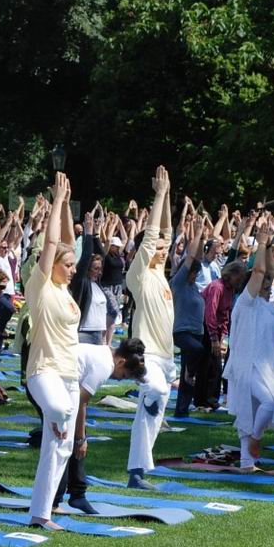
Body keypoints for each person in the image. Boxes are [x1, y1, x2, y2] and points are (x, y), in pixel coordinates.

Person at [25, 172, 80, 530]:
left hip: (70, 374)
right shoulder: (40, 287)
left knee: (60, 449)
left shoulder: (65, 291)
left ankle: (41, 513)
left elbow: (69, 242)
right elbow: (52, 246)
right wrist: (57, 203)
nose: (73, 270)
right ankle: (40, 513)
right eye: (68, 265)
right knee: (58, 412)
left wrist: (69, 210)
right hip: (43, 371)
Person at [53, 338, 148, 513]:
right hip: (50, 385)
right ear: (122, 362)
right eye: (124, 375)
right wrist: (81, 439)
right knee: (64, 444)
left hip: (60, 387)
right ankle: (55, 502)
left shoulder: (106, 354)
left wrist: (81, 438)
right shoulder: (104, 367)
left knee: (72, 441)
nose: (120, 379)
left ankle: (77, 495)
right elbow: (80, 402)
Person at [124, 166, 175, 490]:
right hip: (147, 355)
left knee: (153, 417)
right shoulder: (139, 275)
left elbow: (166, 235)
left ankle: (138, 472)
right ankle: (136, 473)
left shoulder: (160, 272)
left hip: (167, 357)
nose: (162, 249)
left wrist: (168, 193)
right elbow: (154, 237)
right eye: (156, 248)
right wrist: (157, 196)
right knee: (152, 396)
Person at [224, 224, 274, 471]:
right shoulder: (246, 302)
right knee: (267, 404)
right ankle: (254, 440)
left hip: (262, 366)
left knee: (249, 412)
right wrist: (260, 243)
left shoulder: (266, 305)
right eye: (262, 283)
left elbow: (268, 271)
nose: (266, 285)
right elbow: (260, 271)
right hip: (245, 364)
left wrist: (271, 244)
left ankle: (246, 463)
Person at [171, 216, 208, 417]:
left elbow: (198, 258)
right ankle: (187, 373)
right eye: (194, 273)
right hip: (181, 331)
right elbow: (192, 258)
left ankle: (181, 410)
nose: (196, 276)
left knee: (190, 372)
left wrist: (202, 239)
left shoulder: (194, 288)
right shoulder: (179, 283)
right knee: (197, 352)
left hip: (196, 332)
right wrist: (198, 232)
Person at [201, 261, 248, 408]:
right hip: (206, 328)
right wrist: (214, 338)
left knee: (215, 367)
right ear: (231, 274)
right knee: (212, 367)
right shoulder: (217, 287)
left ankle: (211, 400)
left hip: (219, 331)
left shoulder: (230, 290)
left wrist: (224, 336)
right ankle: (207, 400)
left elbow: (226, 314)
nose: (240, 281)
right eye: (239, 277)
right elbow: (210, 313)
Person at [69, 217, 105, 345]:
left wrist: (96, 234)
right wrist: (88, 233)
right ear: (88, 268)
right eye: (95, 268)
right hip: (84, 332)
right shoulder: (82, 282)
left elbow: (102, 256)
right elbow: (85, 257)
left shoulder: (98, 284)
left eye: (100, 269)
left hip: (99, 332)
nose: (98, 271)